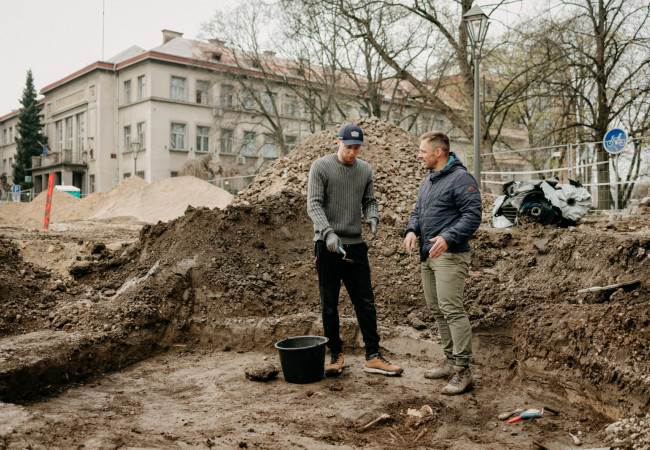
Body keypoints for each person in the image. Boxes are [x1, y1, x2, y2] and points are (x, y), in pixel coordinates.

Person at [307, 123, 403, 377]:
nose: (352, 153)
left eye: (357, 148)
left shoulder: (365, 169)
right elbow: (314, 205)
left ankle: (373, 355)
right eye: (348, 147)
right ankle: (335, 354)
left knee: (365, 301)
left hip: (356, 246)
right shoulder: (321, 167)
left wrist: (373, 216)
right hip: (327, 246)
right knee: (329, 303)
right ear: (338, 142)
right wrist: (327, 232)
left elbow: (369, 200)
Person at [403, 131, 482, 395]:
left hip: (450, 254)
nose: (419, 155)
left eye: (422, 151)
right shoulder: (428, 182)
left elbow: (473, 215)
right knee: (437, 309)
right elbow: (417, 211)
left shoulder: (461, 179)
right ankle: (449, 361)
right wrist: (411, 230)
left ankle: (463, 370)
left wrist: (448, 238)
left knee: (452, 309)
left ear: (438, 152)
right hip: (429, 255)